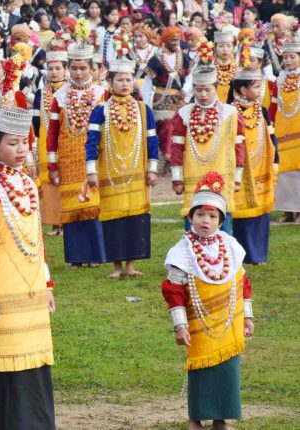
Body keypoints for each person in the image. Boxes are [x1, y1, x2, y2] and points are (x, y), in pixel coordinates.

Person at [0, 105, 57, 430]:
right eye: (12, 143)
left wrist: (47, 285)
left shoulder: (27, 184)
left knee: (34, 364)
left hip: (31, 288)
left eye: (24, 142)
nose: (21, 150)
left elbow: (38, 239)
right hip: (1, 290)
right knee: (5, 369)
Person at [161, 171, 254, 430]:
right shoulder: (182, 252)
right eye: (200, 214)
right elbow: (173, 291)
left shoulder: (231, 246)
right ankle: (195, 420)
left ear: (221, 221)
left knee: (227, 371)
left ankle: (221, 420)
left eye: (213, 216)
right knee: (201, 371)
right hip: (199, 325)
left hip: (229, 323)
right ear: (190, 217)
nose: (206, 220)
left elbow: (243, 283)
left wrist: (247, 316)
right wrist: (180, 325)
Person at [85, 58, 159, 278]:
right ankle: (117, 267)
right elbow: (91, 142)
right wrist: (91, 171)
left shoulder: (143, 110)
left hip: (137, 174)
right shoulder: (100, 110)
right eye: (120, 80)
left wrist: (152, 168)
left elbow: (152, 140)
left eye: (128, 80)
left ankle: (131, 266)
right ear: (110, 82)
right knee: (113, 220)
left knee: (135, 220)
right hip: (110, 174)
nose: (125, 84)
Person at [46, 42, 106, 268]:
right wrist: (52, 165)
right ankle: (76, 258)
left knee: (92, 204)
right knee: (71, 207)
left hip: (93, 158)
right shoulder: (60, 96)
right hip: (68, 158)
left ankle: (95, 256)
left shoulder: (102, 94)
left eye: (83, 68)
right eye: (74, 68)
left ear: (92, 68)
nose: (78, 72)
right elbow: (52, 133)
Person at [169, 65, 245, 234]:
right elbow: (176, 148)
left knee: (223, 224)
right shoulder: (184, 113)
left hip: (222, 178)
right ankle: (193, 259)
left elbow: (239, 146)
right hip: (193, 178)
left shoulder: (230, 113)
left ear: (216, 89)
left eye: (208, 90)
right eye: (198, 90)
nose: (203, 95)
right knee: (193, 223)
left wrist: (238, 177)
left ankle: (225, 260)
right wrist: (177, 179)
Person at [229, 69, 278, 265]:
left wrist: (275, 163)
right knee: (243, 214)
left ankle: (260, 255)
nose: (260, 90)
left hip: (261, 168)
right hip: (241, 171)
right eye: (256, 86)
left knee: (261, 212)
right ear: (242, 89)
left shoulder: (262, 111)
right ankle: (246, 255)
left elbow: (272, 138)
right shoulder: (231, 112)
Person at [141, 26, 191, 168]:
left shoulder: (183, 57)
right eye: (173, 40)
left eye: (178, 40)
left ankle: (172, 156)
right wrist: (146, 103)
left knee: (175, 127)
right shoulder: (156, 59)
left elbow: (190, 76)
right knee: (163, 128)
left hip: (178, 99)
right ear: (165, 41)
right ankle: (165, 155)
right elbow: (148, 82)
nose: (176, 43)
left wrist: (185, 91)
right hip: (161, 99)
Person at [34, 48, 66, 237]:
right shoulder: (40, 94)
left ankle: (65, 222)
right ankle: (54, 224)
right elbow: (36, 121)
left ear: (65, 70)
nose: (54, 72)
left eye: (58, 68)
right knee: (49, 181)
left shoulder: (70, 92)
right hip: (46, 140)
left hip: (65, 140)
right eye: (51, 68)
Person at [270, 41, 300, 223]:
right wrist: (270, 124)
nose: (288, 60)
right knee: (283, 170)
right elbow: (273, 105)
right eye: (285, 57)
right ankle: (287, 210)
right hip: (282, 128)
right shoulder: (280, 79)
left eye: (292, 57)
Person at [214, 31, 237, 103]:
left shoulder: (238, 68)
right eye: (221, 46)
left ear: (233, 48)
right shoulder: (209, 67)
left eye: (229, 46)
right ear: (215, 48)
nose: (225, 49)